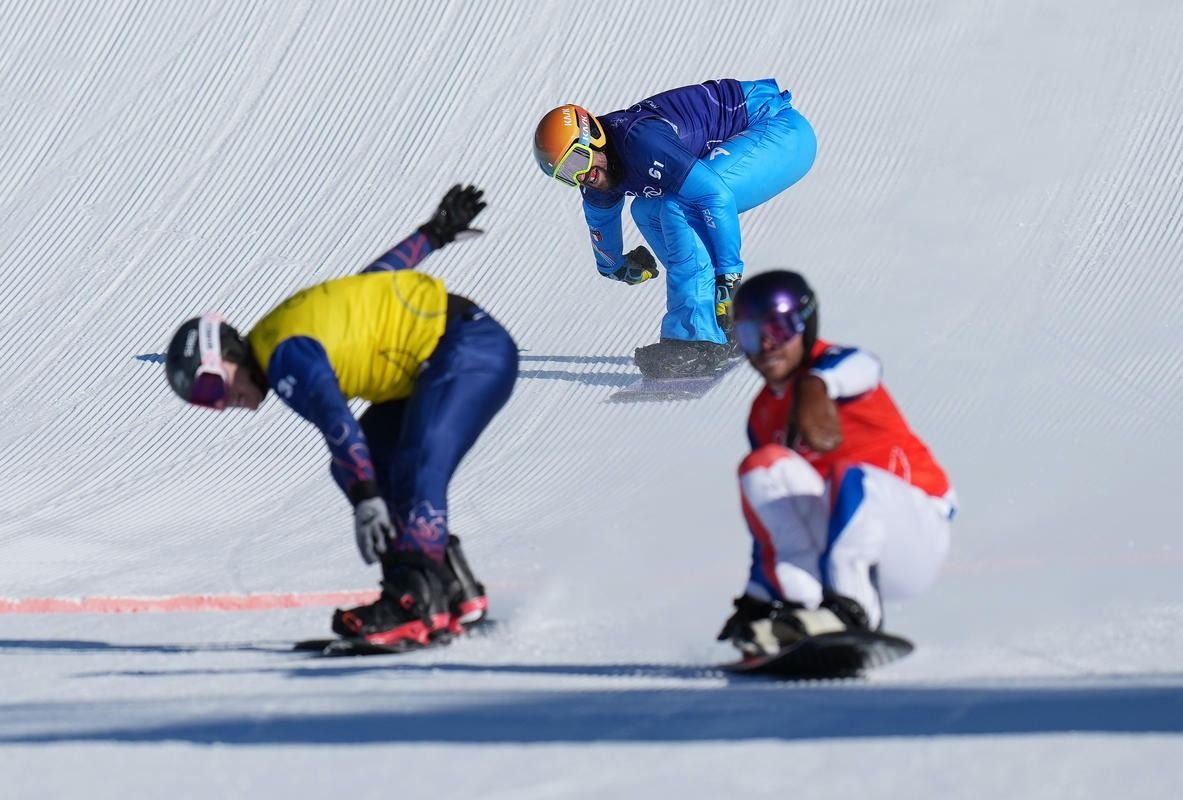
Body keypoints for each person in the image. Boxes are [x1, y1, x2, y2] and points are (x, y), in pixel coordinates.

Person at [163, 185, 518, 650]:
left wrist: (368, 498)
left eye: (212, 386)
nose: (221, 403)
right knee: (364, 465)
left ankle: (414, 600)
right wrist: (431, 235)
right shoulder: (277, 335)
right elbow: (372, 283)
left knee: (412, 464)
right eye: (205, 402)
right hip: (449, 355)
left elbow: (338, 422)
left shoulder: (284, 356)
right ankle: (450, 589)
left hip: (466, 351)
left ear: (228, 352)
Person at [716, 270, 956, 658]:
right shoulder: (763, 414)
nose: (766, 344)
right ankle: (798, 604)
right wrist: (757, 597)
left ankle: (855, 612)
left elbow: (866, 366)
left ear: (805, 325)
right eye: (750, 334)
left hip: (913, 534)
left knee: (852, 476)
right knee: (762, 468)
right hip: (839, 546)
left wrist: (816, 386)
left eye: (778, 328)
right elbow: (776, 523)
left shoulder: (838, 365)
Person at [532, 78, 818, 378]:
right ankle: (717, 321)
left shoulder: (641, 142)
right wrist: (617, 266)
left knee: (677, 205)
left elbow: (714, 196)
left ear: (595, 137)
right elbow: (601, 228)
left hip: (780, 131)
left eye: (578, 159)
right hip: (764, 133)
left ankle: (697, 336)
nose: (581, 175)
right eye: (566, 174)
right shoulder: (597, 172)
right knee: (646, 210)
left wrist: (729, 276)